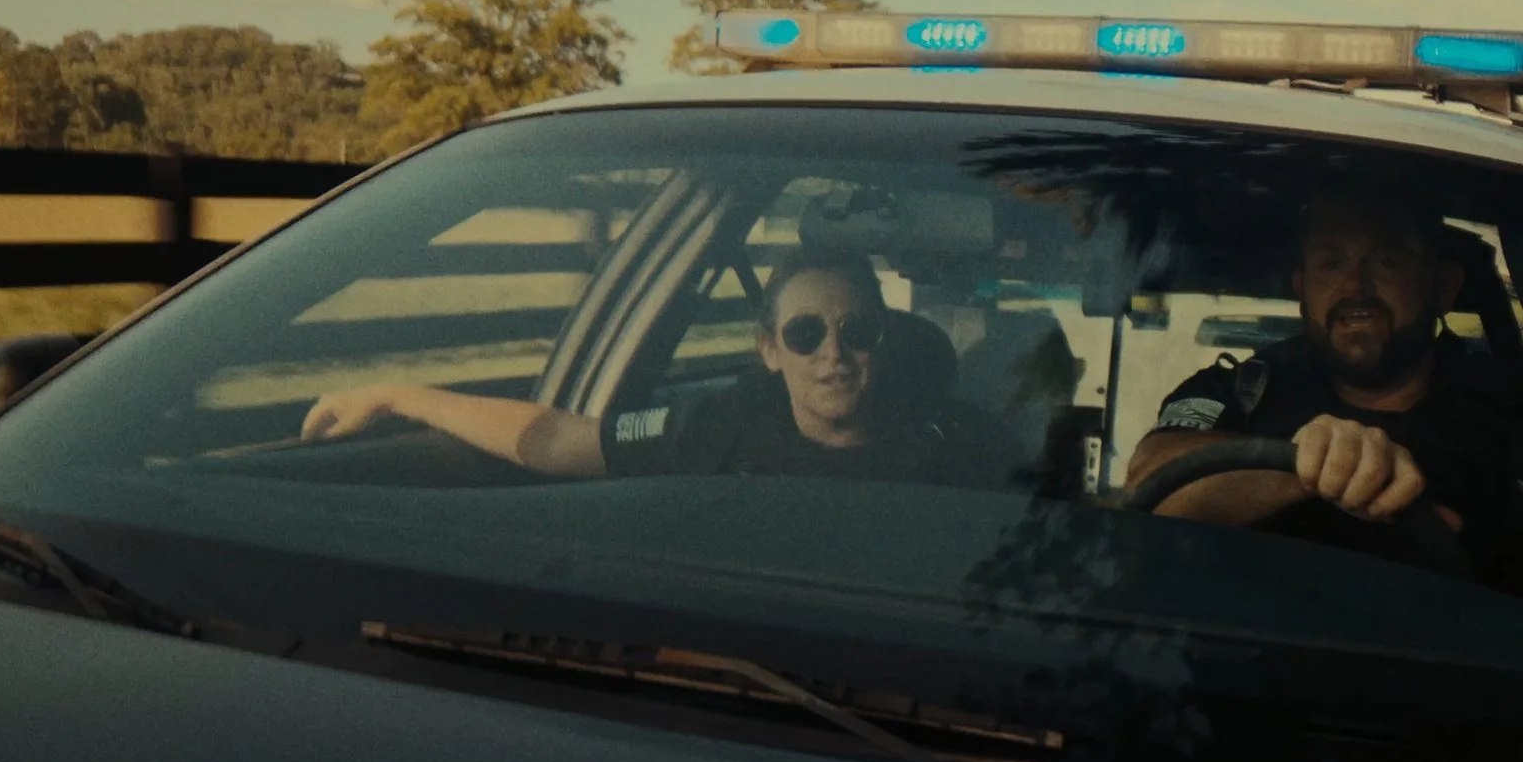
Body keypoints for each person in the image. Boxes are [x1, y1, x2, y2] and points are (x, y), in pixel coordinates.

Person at [300, 246, 1025, 489]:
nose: (832, 354)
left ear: (884, 342)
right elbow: (557, 439)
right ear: (768, 350)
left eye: (856, 331)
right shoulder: (721, 427)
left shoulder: (966, 448)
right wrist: (398, 396)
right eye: (805, 333)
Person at [1125, 190, 1523, 574]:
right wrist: (1307, 465)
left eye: (1386, 261)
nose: (1355, 286)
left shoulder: (1520, 411)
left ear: (1443, 287)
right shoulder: (1243, 390)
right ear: (1301, 289)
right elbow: (1150, 481)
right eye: (1331, 264)